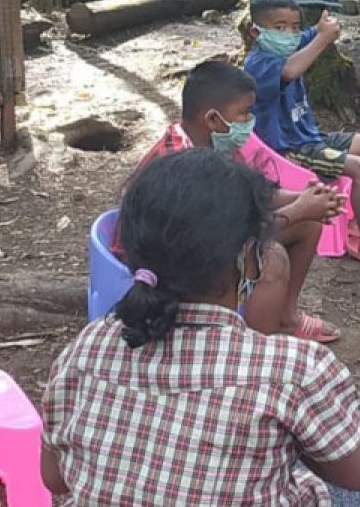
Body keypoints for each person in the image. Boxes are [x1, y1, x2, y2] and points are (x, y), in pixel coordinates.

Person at [42, 150, 360, 507]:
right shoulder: (291, 369)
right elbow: (358, 475)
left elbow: (54, 477)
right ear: (249, 257)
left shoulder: (86, 350)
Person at [131, 59, 342, 342]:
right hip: (172, 259)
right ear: (214, 119)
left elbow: (252, 194)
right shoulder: (183, 167)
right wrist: (297, 210)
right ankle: (253, 349)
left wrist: (304, 199)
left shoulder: (215, 143)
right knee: (271, 260)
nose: (249, 122)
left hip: (203, 240)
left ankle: (285, 318)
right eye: (244, 114)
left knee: (309, 223)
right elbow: (230, 237)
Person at [244, 0, 360, 270]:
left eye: (295, 27)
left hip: (312, 138)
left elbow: (307, 38)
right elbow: (290, 71)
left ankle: (358, 220)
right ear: (256, 32)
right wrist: (322, 40)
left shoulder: (290, 47)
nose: (290, 34)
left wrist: (318, 30)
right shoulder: (258, 63)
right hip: (290, 150)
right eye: (280, 27)